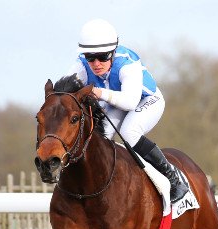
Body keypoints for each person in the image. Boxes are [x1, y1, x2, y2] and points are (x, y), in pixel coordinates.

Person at [67, 18, 188, 203]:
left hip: (146, 100)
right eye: (90, 57)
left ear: (113, 52)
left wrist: (98, 92)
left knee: (129, 133)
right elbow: (65, 89)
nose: (96, 63)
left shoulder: (127, 63)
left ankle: (173, 179)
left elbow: (130, 102)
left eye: (103, 57)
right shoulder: (81, 64)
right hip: (116, 103)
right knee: (98, 138)